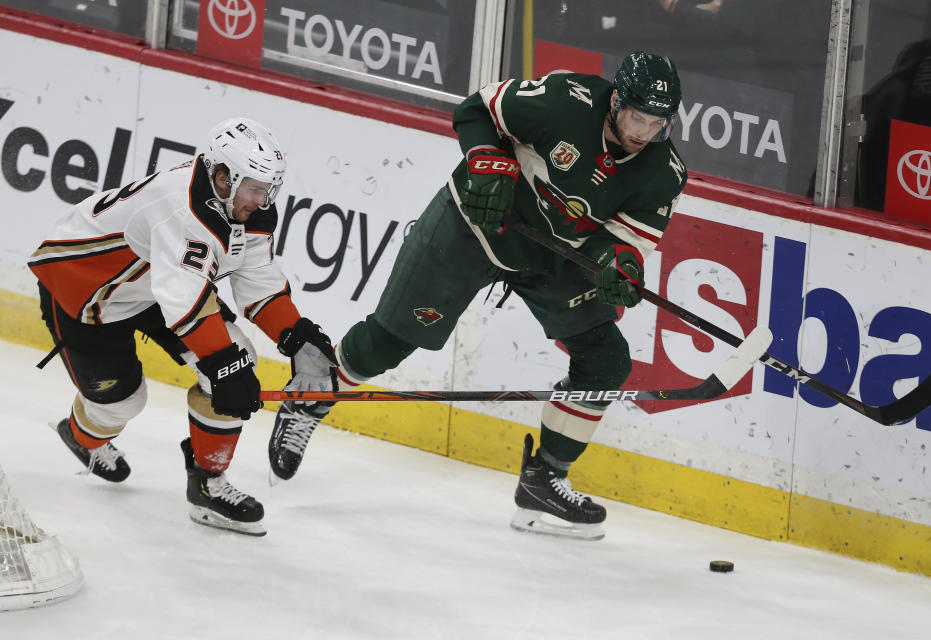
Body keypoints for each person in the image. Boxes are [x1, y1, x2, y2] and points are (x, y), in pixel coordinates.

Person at [269, 51, 687, 540]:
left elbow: (626, 241)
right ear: (616, 101)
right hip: (475, 223)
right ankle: (309, 399)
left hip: (553, 256)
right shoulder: (563, 101)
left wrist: (619, 263)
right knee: (391, 339)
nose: (644, 131)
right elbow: (477, 108)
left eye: (658, 123)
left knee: (605, 360)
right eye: (638, 117)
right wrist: (485, 157)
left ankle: (544, 481)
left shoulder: (665, 172)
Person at [28, 117, 337, 536]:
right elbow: (186, 305)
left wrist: (298, 340)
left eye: (270, 189)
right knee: (123, 404)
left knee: (236, 361)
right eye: (256, 187)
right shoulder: (182, 211)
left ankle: (207, 486)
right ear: (223, 177)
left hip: (155, 285)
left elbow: (257, 282)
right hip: (90, 291)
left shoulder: (246, 206)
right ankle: (82, 436)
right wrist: (225, 368)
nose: (264, 200)